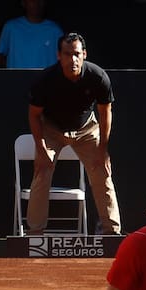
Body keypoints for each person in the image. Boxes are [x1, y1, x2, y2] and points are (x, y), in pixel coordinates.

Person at [26, 31, 122, 236]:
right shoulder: (45, 80)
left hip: (87, 129)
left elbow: (106, 112)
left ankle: (111, 232)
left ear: (84, 54)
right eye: (67, 54)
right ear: (59, 56)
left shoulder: (98, 76)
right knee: (41, 171)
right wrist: (41, 149)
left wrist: (103, 149)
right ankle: (34, 234)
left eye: (77, 54)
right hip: (51, 128)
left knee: (102, 171)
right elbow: (34, 116)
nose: (73, 59)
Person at [0, 0, 63, 69]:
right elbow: (0, 54)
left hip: (47, 79)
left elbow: (65, 57)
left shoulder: (55, 30)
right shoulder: (11, 27)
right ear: (24, 3)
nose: (36, 3)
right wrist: (12, 72)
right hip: (17, 79)